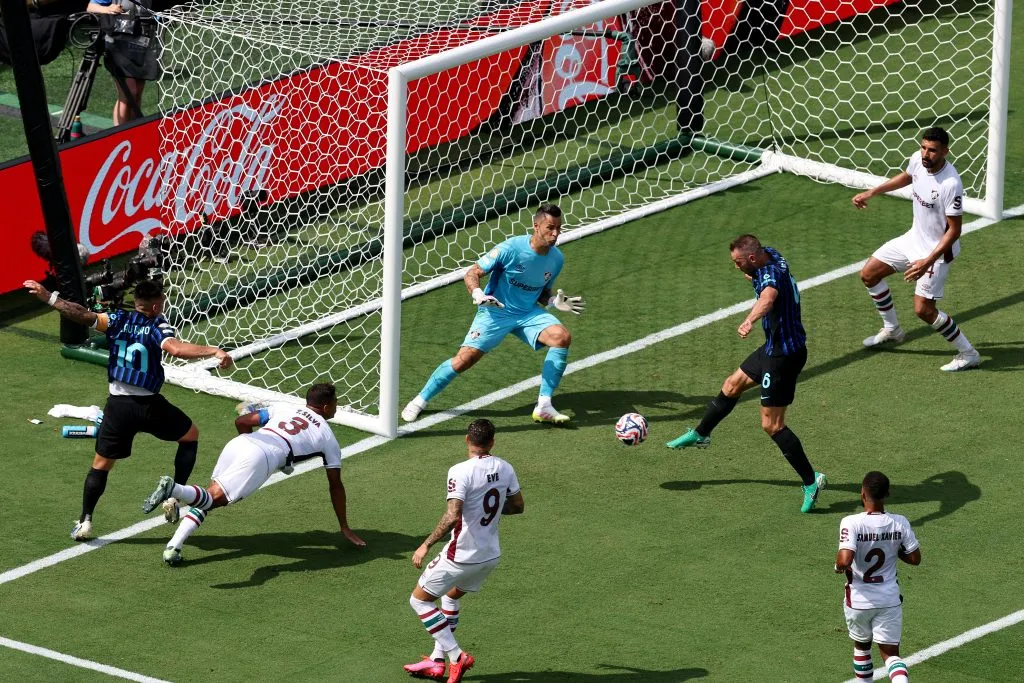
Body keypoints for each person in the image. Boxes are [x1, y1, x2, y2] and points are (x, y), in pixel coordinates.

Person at [24, 278, 232, 541]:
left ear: (137, 304)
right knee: (190, 435)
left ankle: (85, 520)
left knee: (101, 465)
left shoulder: (117, 319)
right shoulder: (158, 324)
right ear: (156, 306)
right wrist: (214, 351)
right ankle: (176, 496)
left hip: (118, 407)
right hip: (149, 406)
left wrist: (48, 297)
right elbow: (176, 349)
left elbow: (80, 314)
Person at [665, 235, 826, 513]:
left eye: (739, 263)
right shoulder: (772, 254)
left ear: (752, 258)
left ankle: (812, 481)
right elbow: (763, 280)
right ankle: (702, 433)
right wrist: (752, 277)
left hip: (783, 358)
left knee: (772, 425)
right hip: (773, 347)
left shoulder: (769, 274)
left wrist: (749, 319)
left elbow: (769, 296)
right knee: (732, 385)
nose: (737, 267)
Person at [401, 203, 585, 425]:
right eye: (550, 227)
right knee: (464, 360)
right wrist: (478, 294)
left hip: (527, 313)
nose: (555, 234)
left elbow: (542, 293)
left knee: (561, 337)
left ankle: (544, 406)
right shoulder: (510, 249)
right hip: (495, 312)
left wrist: (554, 301)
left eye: (558, 228)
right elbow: (472, 273)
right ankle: (420, 400)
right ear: (536, 226)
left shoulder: (557, 259)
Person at [141, 383, 366, 565]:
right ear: (326, 407)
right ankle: (174, 489)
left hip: (241, 442)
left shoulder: (286, 407)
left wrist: (255, 445)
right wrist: (344, 526)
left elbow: (242, 421)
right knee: (213, 500)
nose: (337, 406)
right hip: (262, 457)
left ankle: (173, 547)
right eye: (336, 402)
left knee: (208, 497)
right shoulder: (329, 438)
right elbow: (335, 485)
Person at [404, 419, 524, 682]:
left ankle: (456, 656)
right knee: (450, 598)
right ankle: (437, 661)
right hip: (489, 555)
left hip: (461, 555)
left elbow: (452, 516)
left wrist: (425, 544)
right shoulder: (506, 468)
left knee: (419, 600)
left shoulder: (460, 470)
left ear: (467, 440)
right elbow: (517, 506)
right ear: (492, 442)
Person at [852, 127, 981, 372]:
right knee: (869, 274)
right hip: (913, 239)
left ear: (945, 151)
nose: (925, 153)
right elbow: (907, 176)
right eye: (923, 147)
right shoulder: (918, 160)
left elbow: (954, 230)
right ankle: (892, 330)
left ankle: (969, 353)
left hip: (937, 252)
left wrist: (927, 261)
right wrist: (872, 192)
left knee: (923, 310)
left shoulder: (951, 183)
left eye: (932, 150)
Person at [835, 471, 921, 683]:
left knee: (862, 647)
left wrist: (837, 567)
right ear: (887, 494)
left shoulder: (851, 522)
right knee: (891, 655)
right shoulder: (899, 522)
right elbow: (915, 558)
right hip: (889, 599)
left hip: (858, 600)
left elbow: (845, 560)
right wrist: (892, 547)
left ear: (862, 493)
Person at [87, 0, 160, 125]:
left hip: (142, 45)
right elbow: (90, 6)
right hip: (119, 46)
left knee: (136, 94)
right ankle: (120, 133)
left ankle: (133, 131)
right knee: (128, 94)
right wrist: (107, 9)